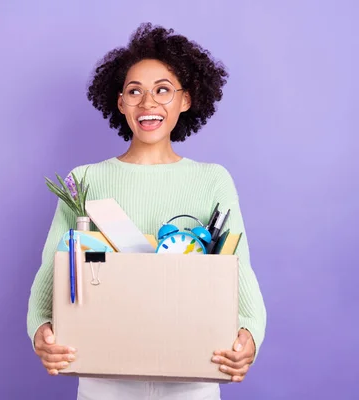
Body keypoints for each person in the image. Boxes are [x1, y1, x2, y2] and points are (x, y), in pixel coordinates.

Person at [26, 22, 267, 400]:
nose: (148, 103)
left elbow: (239, 267)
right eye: (134, 91)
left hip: (192, 375)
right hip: (104, 377)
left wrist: (250, 333)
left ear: (186, 99)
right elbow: (53, 264)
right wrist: (40, 328)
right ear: (120, 102)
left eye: (163, 91)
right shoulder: (85, 179)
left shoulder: (212, 180)